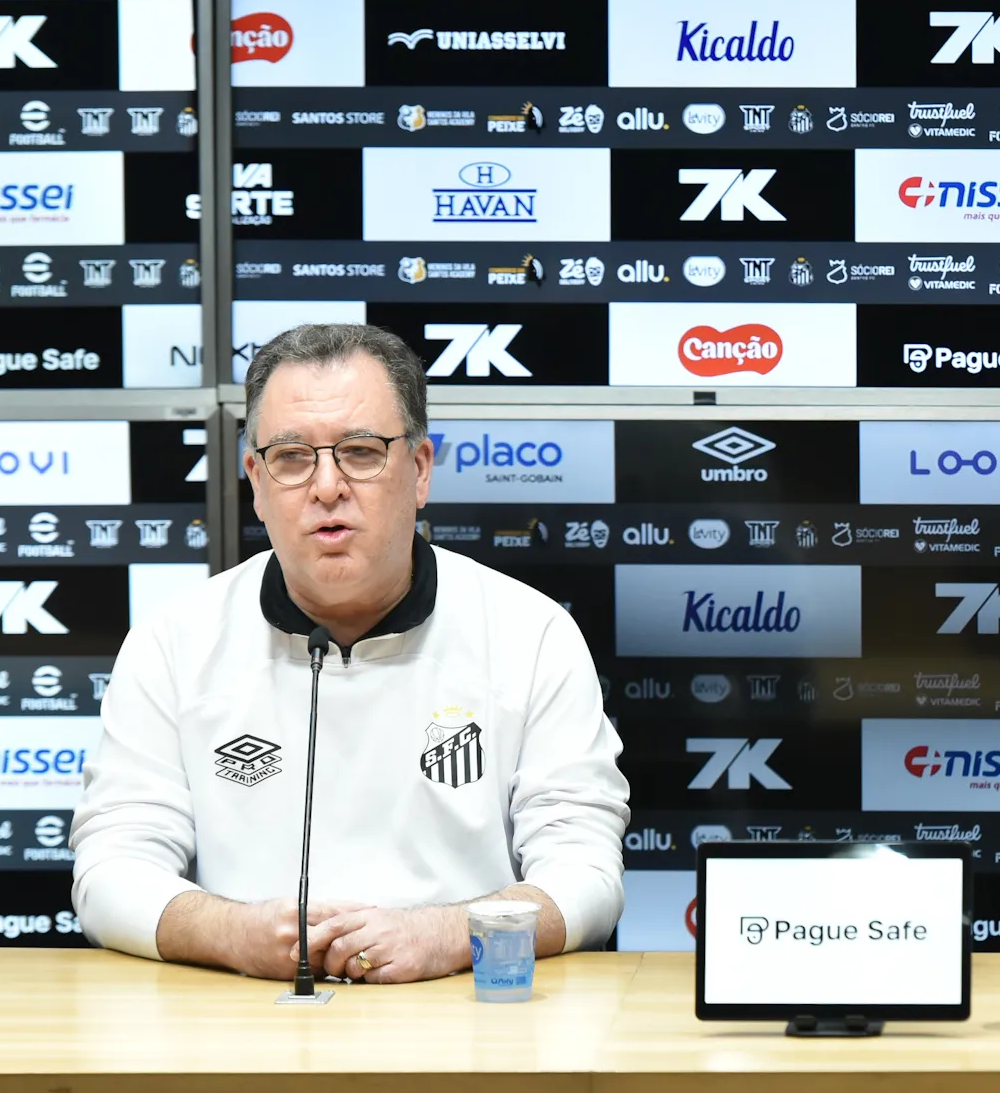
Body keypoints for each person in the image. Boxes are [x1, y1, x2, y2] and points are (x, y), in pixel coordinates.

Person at [71, 323, 629, 982]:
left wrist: (447, 934)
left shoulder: (530, 633)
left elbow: (587, 876)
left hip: (470, 1027)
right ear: (255, 479)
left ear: (419, 470)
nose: (327, 486)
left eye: (361, 452)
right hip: (243, 1031)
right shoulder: (174, 642)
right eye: (292, 457)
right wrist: (234, 934)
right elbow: (109, 872)